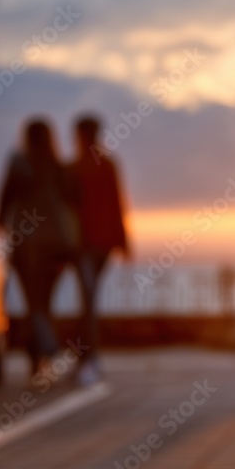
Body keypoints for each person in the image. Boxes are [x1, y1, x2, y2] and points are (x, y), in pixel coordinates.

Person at [0, 118, 79, 376]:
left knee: (34, 304)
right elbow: (72, 203)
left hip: (27, 246)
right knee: (43, 303)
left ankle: (47, 352)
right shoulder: (57, 166)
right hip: (56, 244)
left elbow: (5, 198)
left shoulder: (20, 164)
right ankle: (41, 357)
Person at [67, 114, 130, 384]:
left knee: (88, 299)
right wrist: (123, 241)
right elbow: (118, 204)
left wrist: (123, 241)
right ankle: (87, 357)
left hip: (87, 244)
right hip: (94, 244)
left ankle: (88, 358)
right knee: (89, 299)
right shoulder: (105, 165)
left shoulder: (77, 168)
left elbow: (116, 203)